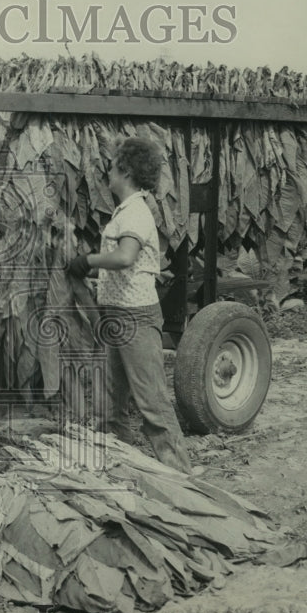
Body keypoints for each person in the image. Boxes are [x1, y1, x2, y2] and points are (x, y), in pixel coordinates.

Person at [67, 136, 193, 474]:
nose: (107, 172)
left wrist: (87, 259)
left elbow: (124, 257)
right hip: (116, 315)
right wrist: (82, 267)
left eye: (111, 166)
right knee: (110, 404)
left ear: (125, 170)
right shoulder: (126, 211)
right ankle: (118, 467)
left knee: (151, 402)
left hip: (135, 318)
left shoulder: (136, 211)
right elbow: (117, 262)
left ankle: (182, 475)